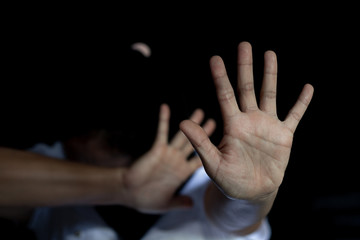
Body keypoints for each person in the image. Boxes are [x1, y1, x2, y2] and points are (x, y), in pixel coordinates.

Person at [0, 41, 314, 239]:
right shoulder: (61, 168)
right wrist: (119, 186)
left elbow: (232, 215)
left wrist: (254, 197)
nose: (65, 149)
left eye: (80, 147)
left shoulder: (208, 182)